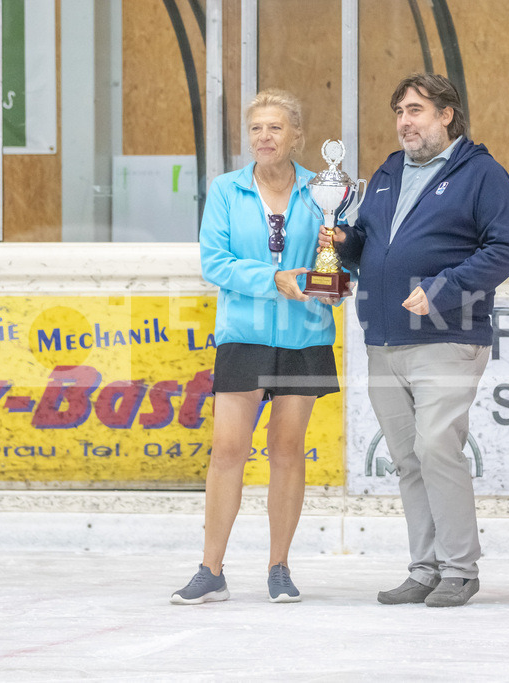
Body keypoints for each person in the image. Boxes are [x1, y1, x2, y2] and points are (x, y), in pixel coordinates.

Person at [320, 73, 509, 608]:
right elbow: (370, 246)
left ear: (446, 115)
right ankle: (425, 567)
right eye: (399, 112)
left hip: (447, 335)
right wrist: (343, 242)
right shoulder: (389, 172)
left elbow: (504, 250)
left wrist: (443, 289)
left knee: (436, 445)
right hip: (384, 338)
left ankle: (460, 569)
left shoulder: (481, 174)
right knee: (408, 457)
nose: (404, 122)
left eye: (415, 110)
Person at [171, 89, 339, 605]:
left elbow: (341, 254)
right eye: (256, 129)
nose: (264, 137)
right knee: (228, 450)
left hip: (305, 337)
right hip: (242, 337)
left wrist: (337, 280)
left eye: (275, 128)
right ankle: (211, 569)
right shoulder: (226, 189)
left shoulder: (324, 190)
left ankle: (279, 567)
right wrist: (274, 280)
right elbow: (215, 262)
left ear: (297, 136)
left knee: (287, 450)